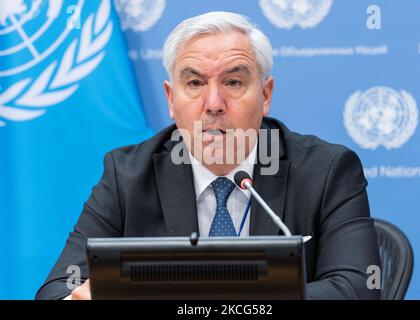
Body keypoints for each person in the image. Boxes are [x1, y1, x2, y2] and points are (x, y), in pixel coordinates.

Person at [35, 11, 380, 300]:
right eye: (195, 83)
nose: (213, 104)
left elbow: (358, 288)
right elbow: (58, 287)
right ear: (171, 100)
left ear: (265, 94)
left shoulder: (327, 169)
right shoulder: (126, 174)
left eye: (233, 83)